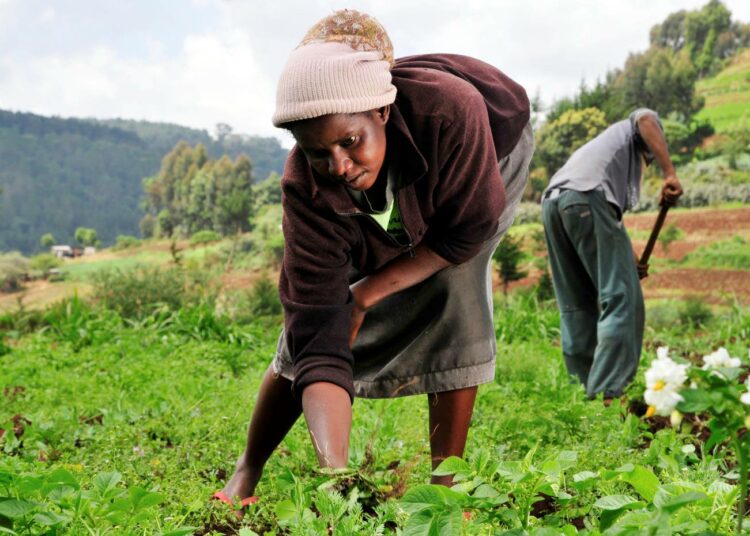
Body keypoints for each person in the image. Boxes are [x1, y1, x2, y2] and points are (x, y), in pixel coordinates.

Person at [215, 9, 533, 507]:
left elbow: (466, 231)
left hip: (486, 162)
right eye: (319, 153)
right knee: (312, 328)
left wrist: (367, 293)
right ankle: (246, 469)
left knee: (453, 288)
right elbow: (318, 331)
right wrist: (337, 478)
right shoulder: (307, 185)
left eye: (349, 142)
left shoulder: (450, 110)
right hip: (403, 176)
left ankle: (443, 492)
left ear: (381, 112)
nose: (337, 166)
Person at [541, 108, 683, 400]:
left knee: (576, 304)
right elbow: (646, 117)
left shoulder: (601, 156)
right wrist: (669, 173)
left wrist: (630, 262)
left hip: (555, 206)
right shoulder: (636, 129)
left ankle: (582, 391)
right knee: (622, 299)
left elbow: (608, 222)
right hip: (586, 199)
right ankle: (607, 393)